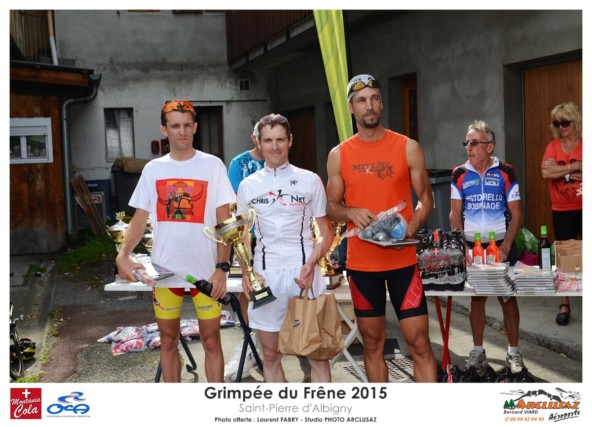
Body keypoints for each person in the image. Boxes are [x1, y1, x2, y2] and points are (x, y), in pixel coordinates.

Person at [326, 74, 437, 383]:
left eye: (374, 98)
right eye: (361, 100)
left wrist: (409, 229)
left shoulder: (407, 147)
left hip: (403, 262)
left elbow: (426, 199)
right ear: (351, 108)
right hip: (363, 265)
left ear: (382, 103)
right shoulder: (339, 155)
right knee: (372, 345)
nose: (369, 105)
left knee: (420, 344)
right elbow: (330, 207)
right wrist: (351, 211)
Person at [116, 100, 235, 382]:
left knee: (211, 341)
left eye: (186, 126)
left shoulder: (212, 165)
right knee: (168, 342)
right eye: (175, 126)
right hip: (165, 272)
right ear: (164, 129)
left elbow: (225, 222)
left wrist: (221, 267)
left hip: (206, 272)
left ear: (195, 128)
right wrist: (123, 254)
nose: (181, 132)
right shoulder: (154, 169)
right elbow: (140, 218)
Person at [236, 113, 334, 382]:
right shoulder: (248, 186)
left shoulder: (310, 180)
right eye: (268, 140)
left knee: (316, 353)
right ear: (258, 142)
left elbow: (326, 232)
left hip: (303, 274)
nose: (275, 146)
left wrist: (312, 262)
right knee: (270, 354)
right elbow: (241, 236)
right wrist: (247, 273)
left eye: (280, 139)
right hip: (264, 276)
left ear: (290, 141)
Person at [450, 120, 525, 376]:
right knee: (477, 298)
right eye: (467, 142)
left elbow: (516, 213)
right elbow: (454, 214)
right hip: (473, 246)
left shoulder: (506, 171)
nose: (468, 147)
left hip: (501, 245)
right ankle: (478, 351)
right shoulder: (459, 173)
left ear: (489, 146)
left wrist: (506, 246)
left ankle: (514, 352)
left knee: (507, 297)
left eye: (474, 142)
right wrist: (462, 247)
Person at [541, 102, 582, 326]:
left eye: (564, 122)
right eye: (557, 123)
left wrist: (561, 171)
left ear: (575, 121)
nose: (560, 127)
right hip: (562, 210)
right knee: (565, 258)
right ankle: (564, 303)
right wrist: (574, 169)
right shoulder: (552, 147)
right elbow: (546, 172)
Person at [227, 121, 265, 324]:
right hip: (246, 236)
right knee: (247, 289)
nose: (271, 145)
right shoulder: (238, 163)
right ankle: (248, 335)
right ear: (254, 139)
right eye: (265, 139)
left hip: (272, 237)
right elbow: (234, 204)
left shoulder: (279, 161)